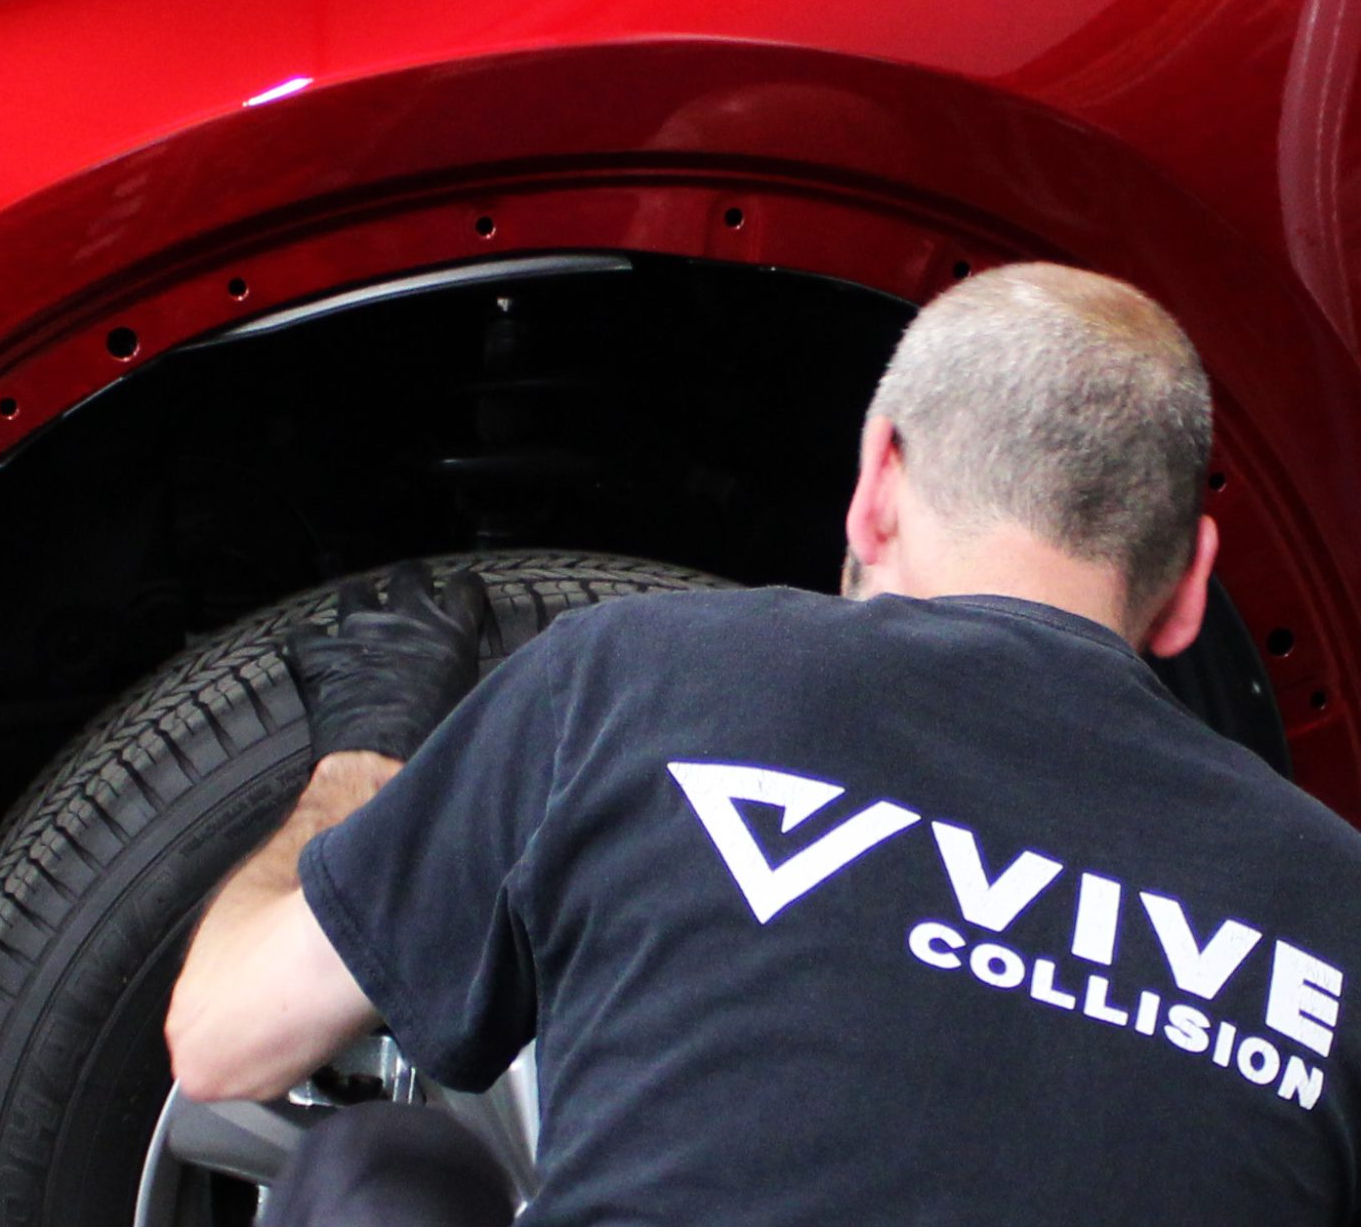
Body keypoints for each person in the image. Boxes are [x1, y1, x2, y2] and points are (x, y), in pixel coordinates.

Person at [165, 263, 1361, 1225]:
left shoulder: (640, 677)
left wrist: (364, 763)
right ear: (1191, 587)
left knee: (378, 1174)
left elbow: (221, 1039)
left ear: (877, 483)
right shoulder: (1338, 903)